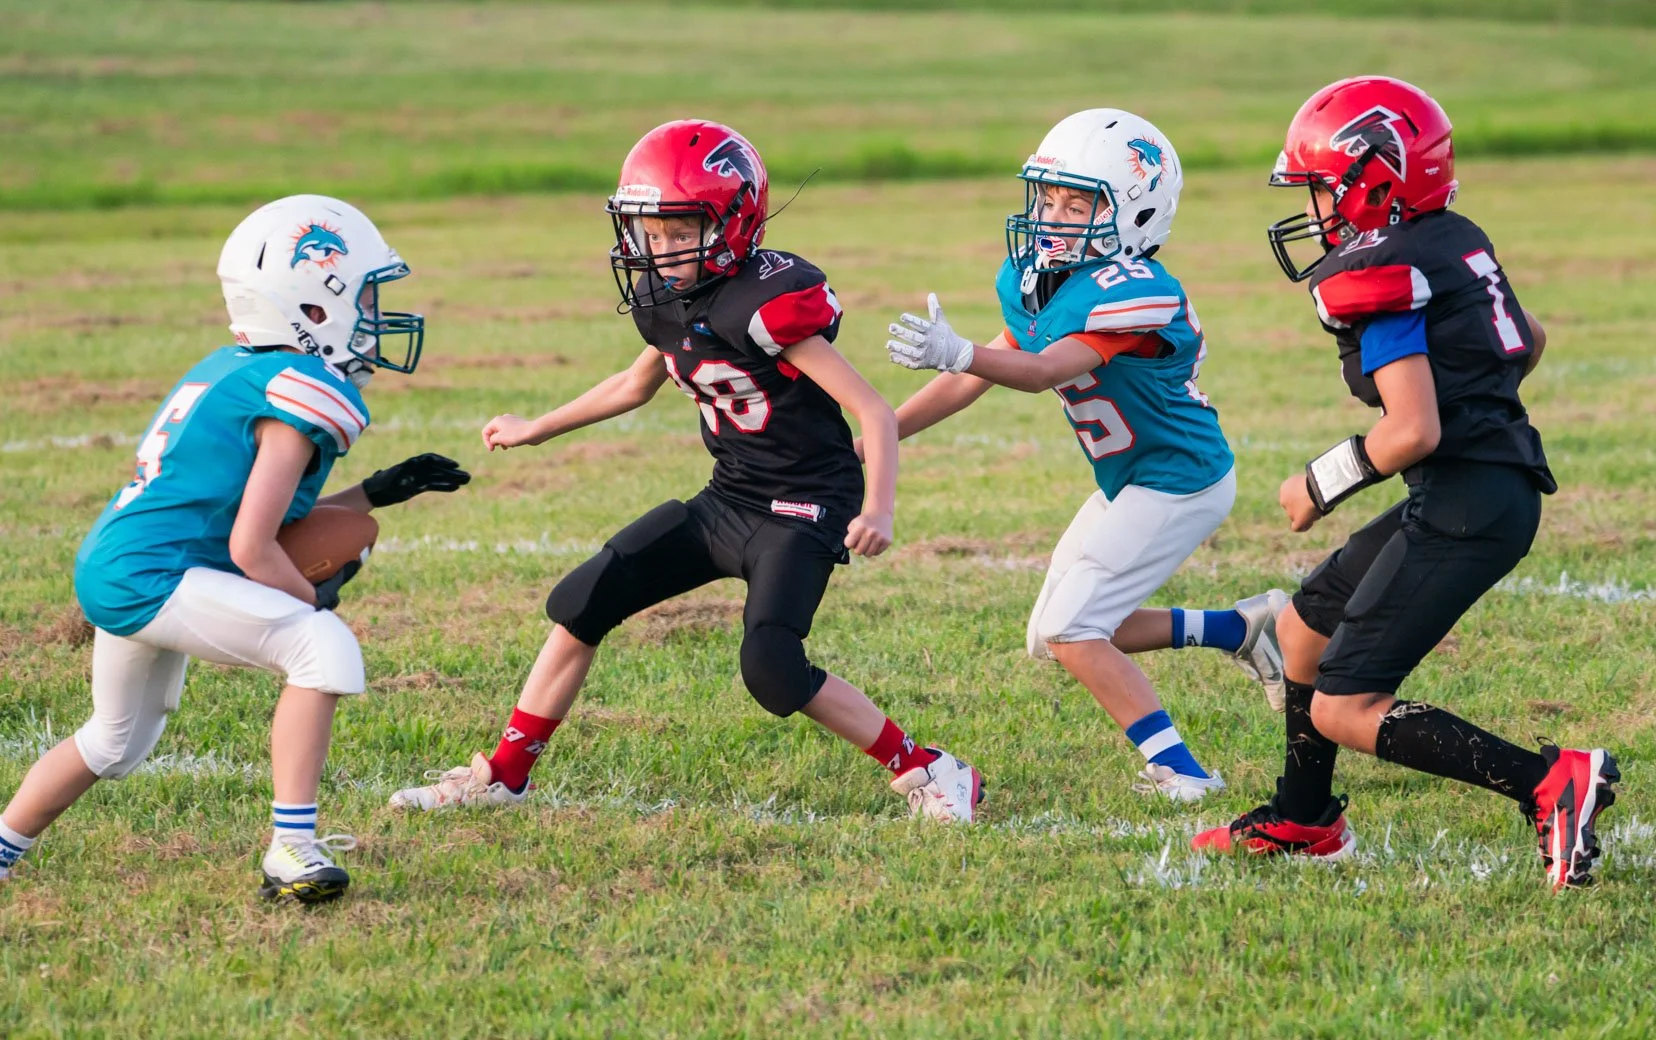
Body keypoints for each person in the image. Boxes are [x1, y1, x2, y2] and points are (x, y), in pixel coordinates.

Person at [389, 119, 982, 822]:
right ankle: (506, 773)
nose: (659, 248)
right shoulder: (665, 300)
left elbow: (874, 412)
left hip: (803, 506)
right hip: (729, 497)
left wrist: (877, 508)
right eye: (649, 230)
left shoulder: (765, 304)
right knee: (584, 600)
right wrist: (538, 427)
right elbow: (635, 384)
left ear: (733, 220)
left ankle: (930, 769)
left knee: (771, 667)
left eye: (678, 230)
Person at [0, 195, 468, 903]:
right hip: (160, 573)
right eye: (365, 298)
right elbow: (253, 546)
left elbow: (254, 518)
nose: (373, 319)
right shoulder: (301, 389)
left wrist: (375, 491)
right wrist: (310, 597)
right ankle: (291, 850)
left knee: (115, 741)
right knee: (322, 647)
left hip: (121, 562)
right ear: (313, 305)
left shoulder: (238, 368)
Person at [1192, 76, 1618, 890]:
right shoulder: (1450, 237)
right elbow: (1527, 339)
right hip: (1475, 488)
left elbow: (1410, 430)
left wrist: (1315, 485)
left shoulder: (1383, 273)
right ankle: (1305, 818)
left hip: (1469, 503)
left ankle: (1549, 783)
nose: (1314, 209)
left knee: (1343, 705)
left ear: (1371, 178)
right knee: (1303, 630)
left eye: (1320, 187)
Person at [882, 108, 1287, 804]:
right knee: (1054, 634)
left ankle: (1183, 774)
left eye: (1078, 203)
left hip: (1180, 480)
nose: (1053, 216)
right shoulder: (1037, 275)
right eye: (1049, 197)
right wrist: (878, 433)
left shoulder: (1136, 290)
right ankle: (1242, 628)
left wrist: (959, 347)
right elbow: (985, 369)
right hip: (1133, 475)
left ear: (1137, 215)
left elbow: (1044, 370)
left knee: (1075, 628)